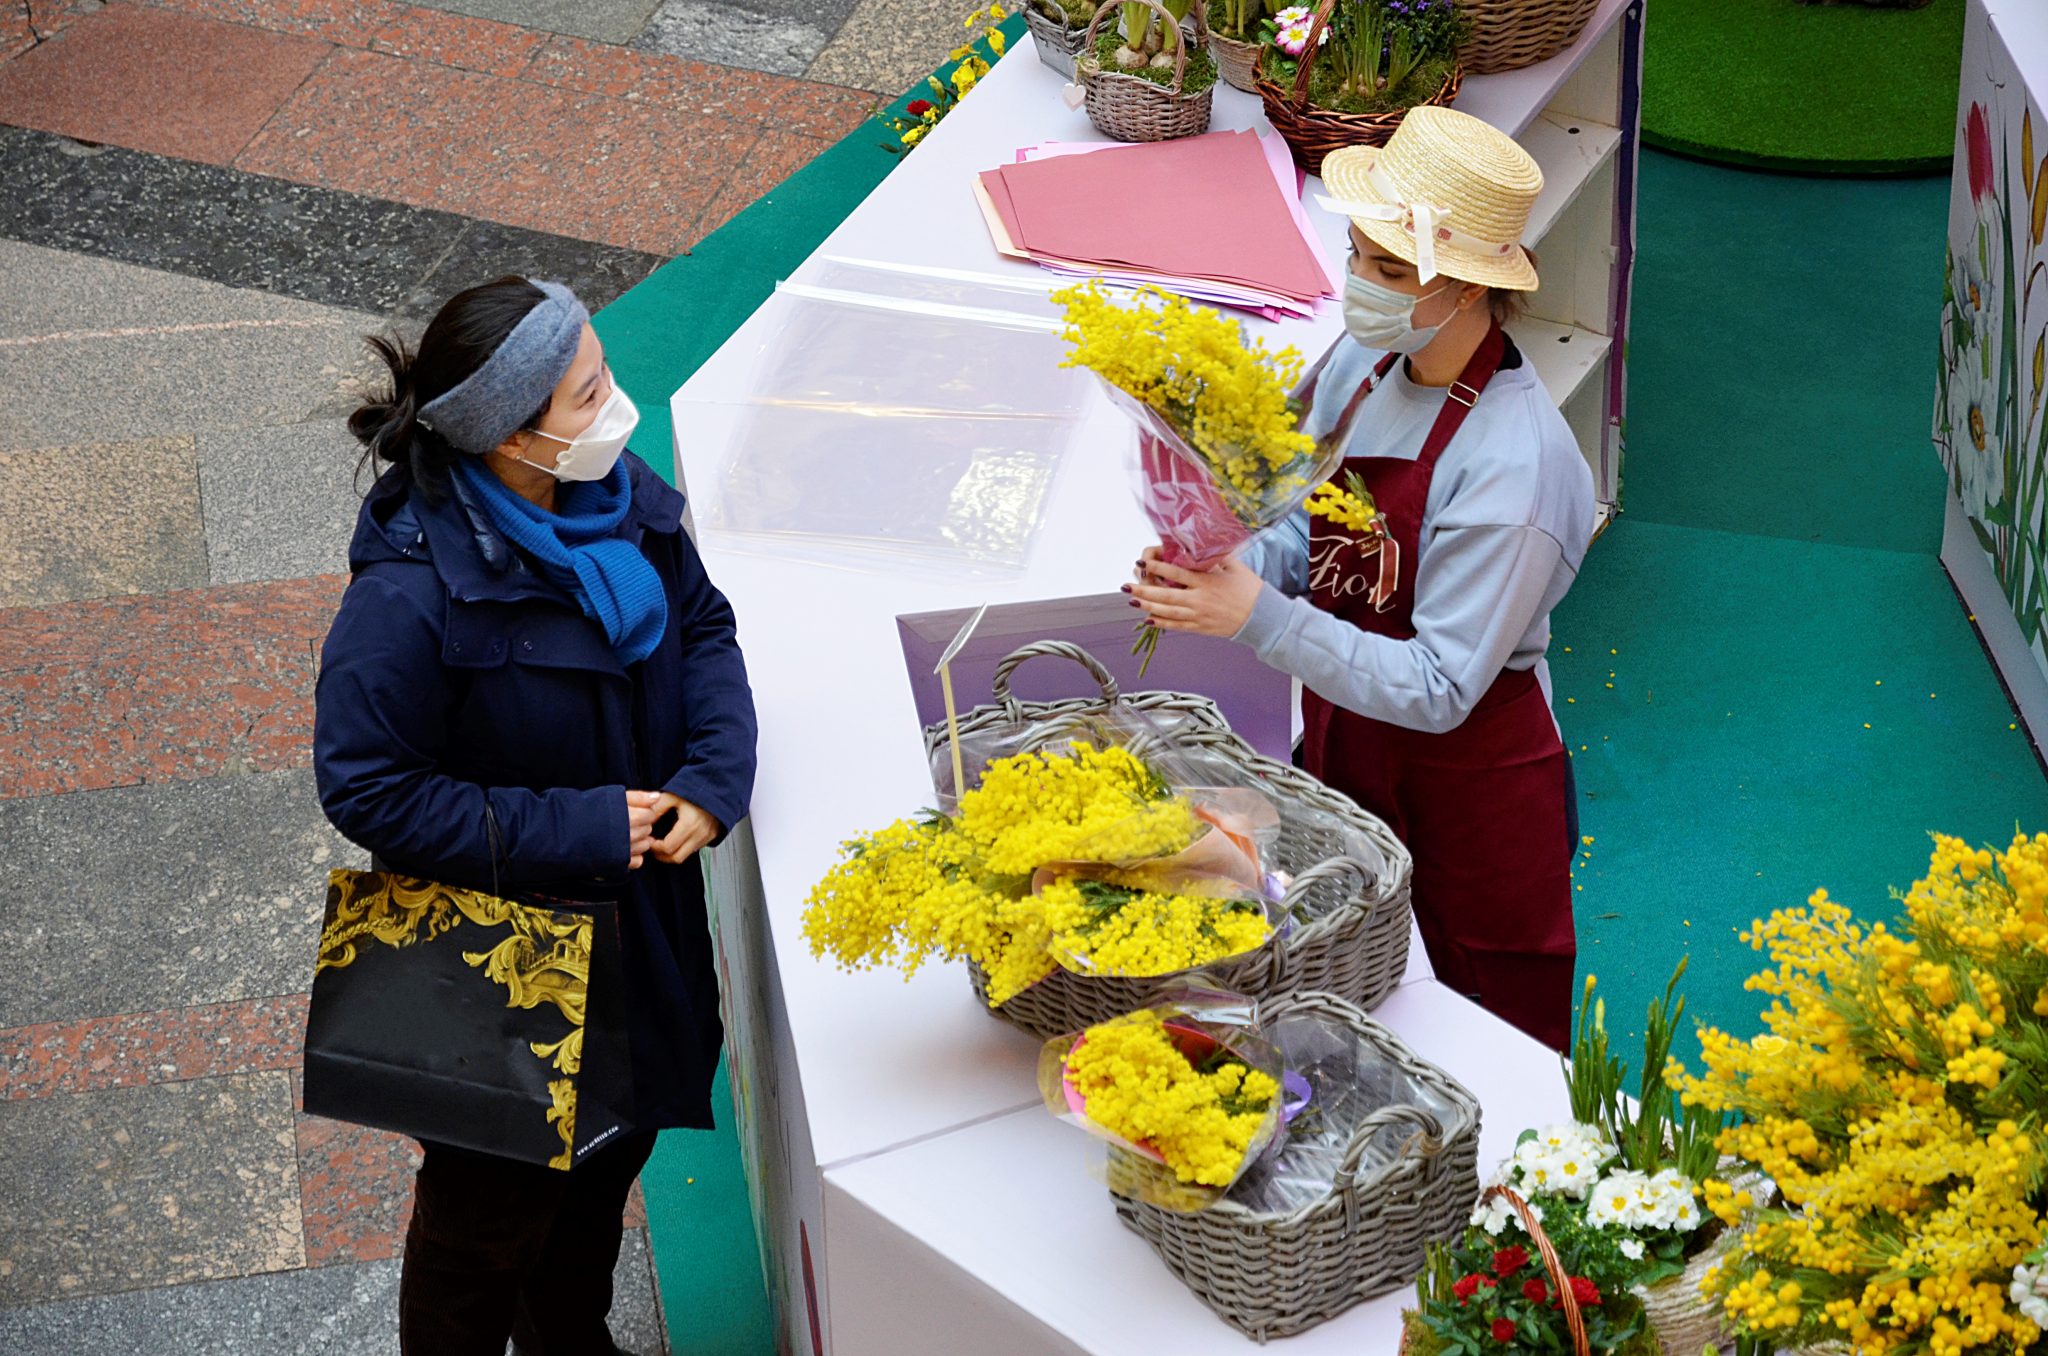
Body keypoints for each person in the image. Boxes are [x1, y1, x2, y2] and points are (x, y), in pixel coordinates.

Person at [313, 276, 757, 1355]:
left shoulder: (614, 499)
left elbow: (700, 627)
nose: (617, 409)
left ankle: (569, 1336)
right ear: (513, 437)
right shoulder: (407, 598)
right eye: (589, 394)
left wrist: (711, 775)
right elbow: (366, 785)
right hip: (501, 967)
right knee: (480, 1221)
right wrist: (589, 827)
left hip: (638, 931)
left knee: (612, 1162)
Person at [1127, 108, 1594, 1050]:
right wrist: (1219, 562)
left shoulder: (1516, 468)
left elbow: (1438, 687)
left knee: (1480, 1015)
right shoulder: (1366, 360)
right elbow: (1299, 523)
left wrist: (1254, 616)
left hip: (1473, 784)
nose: (1358, 286)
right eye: (1357, 255)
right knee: (1343, 971)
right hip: (1348, 738)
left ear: (1465, 290)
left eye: (1388, 270)